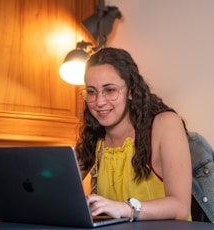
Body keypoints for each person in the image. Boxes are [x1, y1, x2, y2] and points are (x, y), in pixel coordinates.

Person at [75, 47, 192, 222]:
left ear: (130, 91)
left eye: (110, 90)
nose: (99, 101)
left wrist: (124, 208)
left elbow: (180, 207)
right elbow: (57, 188)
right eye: (91, 92)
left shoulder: (165, 124)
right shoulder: (96, 135)